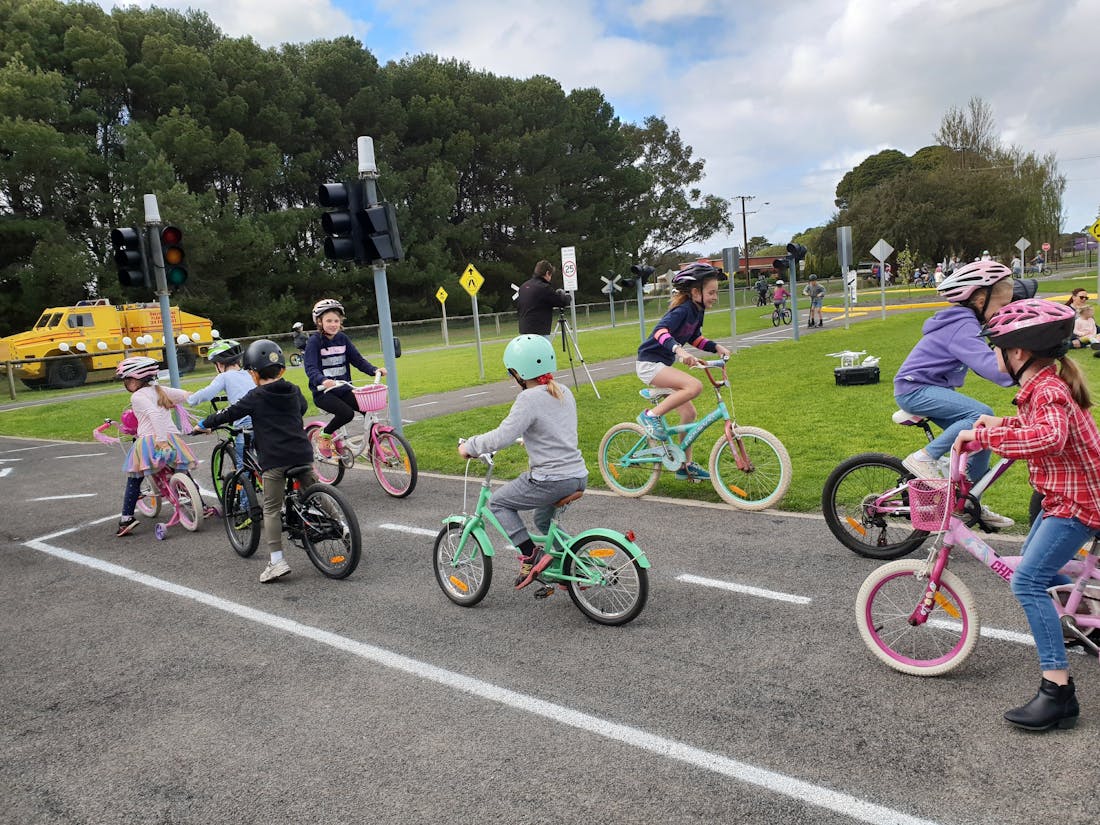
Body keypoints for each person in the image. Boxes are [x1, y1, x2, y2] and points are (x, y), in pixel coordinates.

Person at [955, 300, 1100, 730]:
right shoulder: (1044, 384)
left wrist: (988, 439)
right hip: (1063, 498)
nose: (994, 355)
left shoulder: (1048, 390)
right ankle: (1087, 620)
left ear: (1018, 352)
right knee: (1040, 565)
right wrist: (989, 428)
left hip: (1078, 504)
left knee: (1027, 580)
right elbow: (1032, 427)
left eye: (996, 347)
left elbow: (1050, 436)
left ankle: (1057, 691)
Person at [894, 260, 1021, 529]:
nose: (1004, 307)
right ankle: (923, 458)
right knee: (981, 414)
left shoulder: (966, 322)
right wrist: (1029, 371)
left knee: (980, 433)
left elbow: (989, 361)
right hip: (914, 389)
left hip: (931, 389)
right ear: (978, 299)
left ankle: (969, 501)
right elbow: (992, 369)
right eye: (1001, 300)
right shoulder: (961, 326)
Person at [458, 335, 587, 589]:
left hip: (551, 479)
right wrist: (529, 441)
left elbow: (501, 436)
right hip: (577, 475)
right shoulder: (563, 390)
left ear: (518, 372)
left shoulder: (528, 398)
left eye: (511, 372)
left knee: (498, 503)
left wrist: (469, 446)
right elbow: (557, 429)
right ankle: (573, 566)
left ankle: (531, 554)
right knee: (542, 521)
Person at [197, 339, 320, 583]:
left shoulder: (255, 396)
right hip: (303, 453)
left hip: (275, 460)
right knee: (314, 490)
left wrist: (203, 424)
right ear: (283, 369)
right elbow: (302, 408)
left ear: (252, 373)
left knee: (271, 509)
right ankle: (340, 523)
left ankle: (277, 561)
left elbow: (228, 413)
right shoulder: (294, 389)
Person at [634, 262, 733, 479]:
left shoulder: (698, 311)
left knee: (689, 413)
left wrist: (716, 347)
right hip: (649, 364)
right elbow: (660, 332)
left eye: (717, 292)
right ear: (696, 292)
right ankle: (651, 416)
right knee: (694, 386)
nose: (715, 296)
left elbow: (694, 337)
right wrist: (679, 351)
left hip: (662, 366)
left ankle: (684, 466)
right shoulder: (682, 310)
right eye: (712, 292)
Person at [114, 356, 197, 537]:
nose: (125, 384)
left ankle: (127, 518)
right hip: (171, 438)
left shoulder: (137, 396)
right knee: (181, 471)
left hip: (150, 441)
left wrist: (159, 440)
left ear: (136, 378)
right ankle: (201, 506)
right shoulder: (160, 390)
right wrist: (196, 397)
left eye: (127, 380)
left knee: (134, 478)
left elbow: (153, 414)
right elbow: (185, 396)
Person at [303, 298, 385, 459]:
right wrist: (322, 380)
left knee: (368, 409)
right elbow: (310, 367)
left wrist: (374, 370)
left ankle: (373, 449)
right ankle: (325, 435)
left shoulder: (343, 339)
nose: (333, 324)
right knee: (346, 414)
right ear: (319, 322)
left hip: (344, 388)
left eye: (336, 320)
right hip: (324, 393)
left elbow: (357, 360)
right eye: (329, 321)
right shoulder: (314, 342)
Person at [186, 340, 253, 466]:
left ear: (220, 364)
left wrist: (189, 399)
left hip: (245, 427)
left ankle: (244, 484)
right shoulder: (249, 373)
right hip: (264, 423)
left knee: (243, 467)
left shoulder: (224, 376)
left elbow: (206, 394)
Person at [516, 260, 571, 337]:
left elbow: (519, 306)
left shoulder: (523, 287)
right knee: (543, 349)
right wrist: (568, 297)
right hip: (539, 331)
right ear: (547, 273)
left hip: (523, 331)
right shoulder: (544, 288)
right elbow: (561, 302)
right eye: (550, 275)